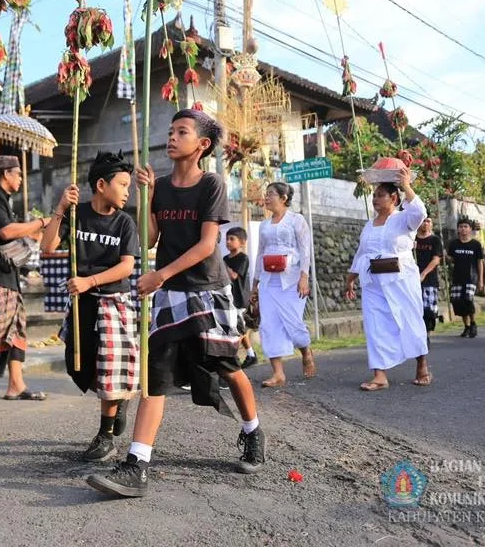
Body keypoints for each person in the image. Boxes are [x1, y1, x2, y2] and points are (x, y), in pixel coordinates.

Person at [87, 108, 265, 499]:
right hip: (168, 294)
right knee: (156, 377)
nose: (171, 137)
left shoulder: (212, 184)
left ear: (201, 145)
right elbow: (150, 240)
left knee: (226, 365)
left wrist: (160, 275)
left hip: (206, 289)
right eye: (169, 131)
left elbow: (206, 246)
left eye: (180, 132)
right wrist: (147, 198)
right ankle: (137, 464)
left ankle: (253, 431)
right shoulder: (161, 186)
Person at [41, 151, 140, 463]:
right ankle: (119, 400)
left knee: (109, 368)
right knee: (79, 367)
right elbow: (47, 247)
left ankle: (105, 436)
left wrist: (90, 281)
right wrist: (60, 207)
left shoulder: (125, 222)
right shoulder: (77, 214)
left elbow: (126, 268)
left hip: (113, 302)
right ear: (101, 184)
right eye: (123, 184)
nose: (127, 191)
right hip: (81, 302)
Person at [0, 155, 53, 401]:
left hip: (6, 276)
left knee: (16, 331)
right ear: (6, 174)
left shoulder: (2, 198)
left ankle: (16, 384)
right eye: (18, 174)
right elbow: (5, 231)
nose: (21, 179)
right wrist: (40, 222)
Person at [344, 168, 431, 391]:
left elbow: (420, 212)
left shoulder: (404, 219)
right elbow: (361, 253)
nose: (375, 199)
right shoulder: (368, 225)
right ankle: (380, 375)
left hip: (401, 279)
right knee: (375, 325)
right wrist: (351, 278)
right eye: (374, 195)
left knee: (410, 321)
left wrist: (406, 186)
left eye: (380, 195)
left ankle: (421, 364)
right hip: (373, 282)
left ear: (394, 198)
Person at [252, 181, 316, 387]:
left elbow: (305, 250)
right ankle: (278, 373)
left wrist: (304, 277)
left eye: (271, 194)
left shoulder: (297, 220)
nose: (267, 197)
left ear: (283, 198)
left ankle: (305, 350)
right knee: (268, 324)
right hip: (269, 281)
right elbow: (260, 254)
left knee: (292, 322)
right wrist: (255, 284)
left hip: (292, 279)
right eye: (266, 193)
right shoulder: (264, 225)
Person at [224, 227, 257, 369]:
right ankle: (250, 355)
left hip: (240, 299)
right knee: (239, 329)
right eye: (227, 239)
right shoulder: (225, 258)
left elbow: (234, 276)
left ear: (242, 242)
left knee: (238, 330)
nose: (228, 242)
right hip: (229, 298)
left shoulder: (243, 258)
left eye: (232, 239)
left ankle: (232, 358)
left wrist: (222, 264)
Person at [447, 218, 485, 338]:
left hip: (471, 277)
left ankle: (473, 323)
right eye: (461, 226)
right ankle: (466, 326)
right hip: (457, 277)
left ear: (470, 229)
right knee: (458, 302)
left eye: (466, 226)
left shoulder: (476, 245)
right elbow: (451, 259)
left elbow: (480, 262)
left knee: (468, 300)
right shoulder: (454, 244)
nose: (463, 229)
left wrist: (480, 280)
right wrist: (446, 258)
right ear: (458, 229)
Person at [415, 216, 443, 347]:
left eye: (428, 221)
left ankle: (427, 335)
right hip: (412, 280)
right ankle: (418, 335)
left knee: (429, 310)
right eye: (423, 221)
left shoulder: (435, 240)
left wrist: (424, 273)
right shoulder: (411, 239)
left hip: (429, 280)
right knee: (416, 310)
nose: (425, 224)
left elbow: (436, 259)